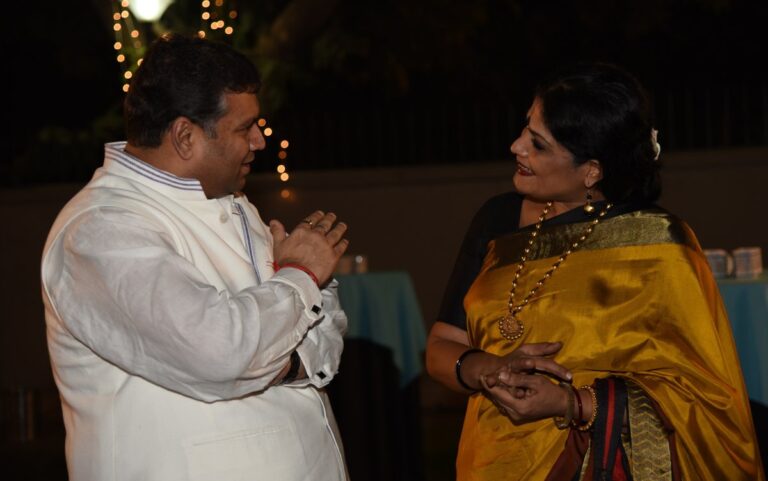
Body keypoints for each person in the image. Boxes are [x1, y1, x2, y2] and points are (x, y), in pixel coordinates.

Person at [426, 63, 764, 480]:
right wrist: (484, 368)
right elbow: (442, 344)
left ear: (591, 170)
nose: (516, 147)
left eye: (538, 144)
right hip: (490, 459)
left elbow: (705, 399)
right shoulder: (496, 220)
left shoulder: (656, 246)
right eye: (524, 129)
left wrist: (571, 403)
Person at [41, 33, 350, 481]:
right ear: (184, 135)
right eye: (245, 128)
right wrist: (300, 274)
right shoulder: (100, 231)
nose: (260, 142)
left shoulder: (233, 201)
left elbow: (325, 325)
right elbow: (223, 353)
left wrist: (286, 355)